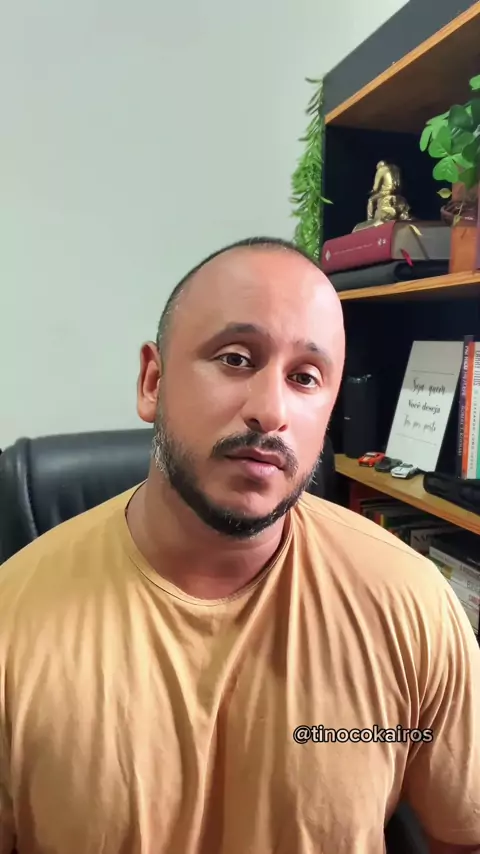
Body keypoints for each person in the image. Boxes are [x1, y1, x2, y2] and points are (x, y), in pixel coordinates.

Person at [0, 237, 479, 854]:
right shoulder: (14, 625)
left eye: (305, 378)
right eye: (234, 359)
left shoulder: (411, 605)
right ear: (153, 381)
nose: (270, 410)